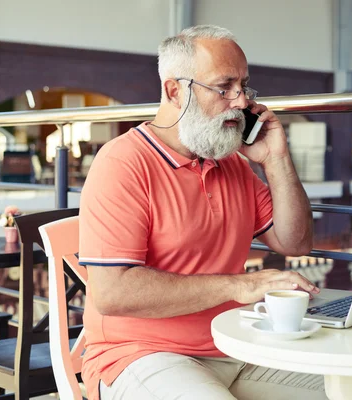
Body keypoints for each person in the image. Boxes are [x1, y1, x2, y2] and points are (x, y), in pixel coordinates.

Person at [78, 25, 328, 399]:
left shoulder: (233, 164)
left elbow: (296, 241)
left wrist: (276, 159)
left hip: (235, 345)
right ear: (175, 91)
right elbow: (112, 293)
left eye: (244, 87)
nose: (242, 102)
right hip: (139, 354)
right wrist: (241, 285)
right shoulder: (122, 162)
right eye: (224, 87)